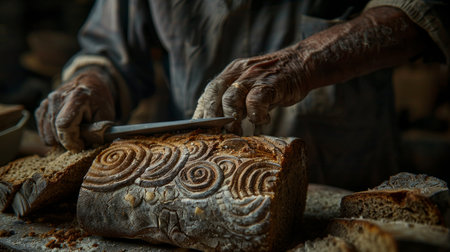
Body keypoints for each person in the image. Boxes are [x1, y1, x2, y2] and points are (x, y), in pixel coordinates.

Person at [35, 0, 449, 190]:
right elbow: (110, 50)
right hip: (198, 186)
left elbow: (421, 10)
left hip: (351, 187)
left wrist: (305, 60)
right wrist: (93, 81)